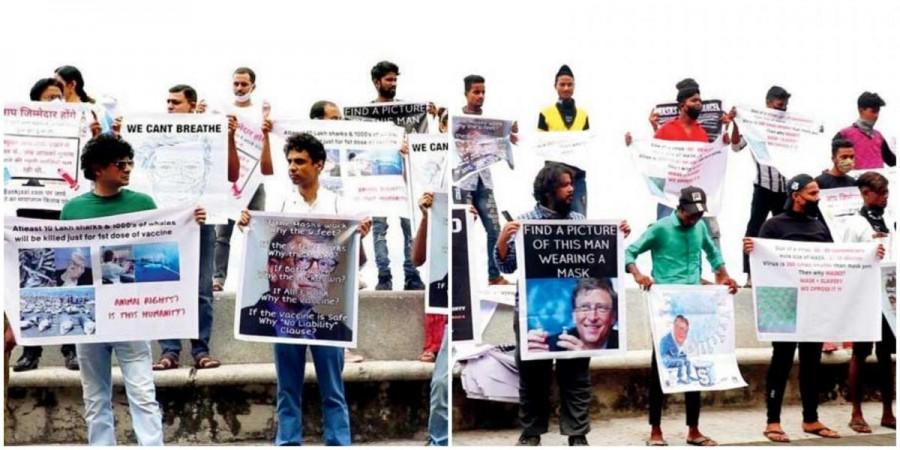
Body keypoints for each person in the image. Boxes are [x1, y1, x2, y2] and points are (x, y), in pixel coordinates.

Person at [61, 134, 206, 445]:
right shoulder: (72, 209)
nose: (128, 169)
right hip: (90, 317)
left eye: (130, 163)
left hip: (131, 315)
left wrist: (191, 223)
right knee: (94, 397)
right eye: (120, 164)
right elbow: (63, 256)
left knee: (142, 392)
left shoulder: (143, 203)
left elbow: (164, 245)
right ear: (98, 168)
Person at [238, 132, 372, 446]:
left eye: (300, 161)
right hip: (284, 314)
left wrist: (360, 238)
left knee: (332, 386)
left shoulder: (341, 205)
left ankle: (338, 442)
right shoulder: (281, 205)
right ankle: (288, 442)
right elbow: (263, 249)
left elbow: (357, 262)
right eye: (290, 162)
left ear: (319, 165)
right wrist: (248, 224)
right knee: (287, 386)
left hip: (324, 314)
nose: (293, 167)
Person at [495, 163, 630, 446]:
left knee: (577, 377)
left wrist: (617, 237)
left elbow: (599, 260)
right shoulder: (525, 222)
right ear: (548, 191)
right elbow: (506, 266)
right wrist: (503, 237)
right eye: (565, 185)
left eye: (572, 184)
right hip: (534, 316)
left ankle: (576, 433)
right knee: (533, 378)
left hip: (574, 316)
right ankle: (531, 432)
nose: (572, 190)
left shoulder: (580, 220)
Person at [743, 174, 885, 442]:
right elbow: (760, 262)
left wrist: (869, 255)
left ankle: (811, 419)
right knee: (781, 362)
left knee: (812, 362)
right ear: (796, 196)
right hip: (782, 303)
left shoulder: (819, 226)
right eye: (811, 194)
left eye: (818, 193)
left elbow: (835, 260)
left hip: (814, 302)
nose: (817, 198)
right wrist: (752, 249)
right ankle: (772, 421)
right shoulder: (773, 226)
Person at [626, 185, 738, 446]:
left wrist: (723, 276)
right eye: (690, 215)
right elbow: (629, 252)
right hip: (665, 307)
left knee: (695, 365)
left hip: (694, 304)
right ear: (679, 208)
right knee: (661, 368)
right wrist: (638, 274)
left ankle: (694, 430)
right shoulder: (661, 228)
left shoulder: (700, 227)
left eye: (698, 215)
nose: (693, 219)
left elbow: (714, 255)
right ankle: (655, 429)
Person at [12, 77, 82, 372]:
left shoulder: (77, 127)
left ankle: (71, 348)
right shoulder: (17, 131)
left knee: (68, 277)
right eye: (49, 97)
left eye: (59, 97)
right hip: (30, 210)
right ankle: (31, 350)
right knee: (31, 280)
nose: (56, 102)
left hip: (65, 211)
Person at [152, 84, 222, 371]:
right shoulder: (153, 135)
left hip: (200, 223)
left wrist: (226, 134)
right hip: (164, 224)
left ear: (192, 106)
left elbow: (222, 175)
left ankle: (200, 350)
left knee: (202, 289)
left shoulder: (208, 135)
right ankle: (169, 351)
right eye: (167, 101)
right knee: (163, 286)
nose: (170, 106)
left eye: (176, 102)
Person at [842, 171, 895, 432]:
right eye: (880, 193)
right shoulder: (855, 224)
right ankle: (856, 412)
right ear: (865, 193)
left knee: (886, 355)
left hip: (888, 295)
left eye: (887, 192)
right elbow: (845, 257)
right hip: (863, 294)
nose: (885, 197)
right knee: (860, 354)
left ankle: (887, 411)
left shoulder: (890, 219)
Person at [212, 67, 274, 292]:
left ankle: (260, 281)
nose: (239, 88)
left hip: (255, 181)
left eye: (244, 84)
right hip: (228, 180)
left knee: (259, 232)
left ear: (253, 86)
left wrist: (268, 123)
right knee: (222, 234)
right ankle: (217, 279)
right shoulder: (220, 111)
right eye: (236, 84)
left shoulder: (262, 112)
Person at [366, 60, 424, 291]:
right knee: (379, 229)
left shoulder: (407, 111)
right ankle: (383, 275)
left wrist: (410, 148)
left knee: (409, 227)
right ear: (376, 82)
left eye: (395, 79)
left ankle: (411, 274)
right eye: (389, 79)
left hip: (404, 179)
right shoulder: (365, 113)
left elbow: (420, 143)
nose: (393, 84)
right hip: (377, 179)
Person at [727, 86, 792, 286]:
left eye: (785, 107)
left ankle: (783, 276)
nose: (782, 110)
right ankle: (750, 275)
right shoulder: (754, 125)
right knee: (754, 230)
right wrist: (737, 122)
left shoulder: (789, 126)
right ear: (768, 103)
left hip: (786, 187)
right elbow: (736, 146)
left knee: (786, 232)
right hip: (764, 185)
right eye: (779, 106)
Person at [457, 74, 511, 287]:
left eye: (483, 92)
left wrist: (508, 136)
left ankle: (494, 275)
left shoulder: (490, 122)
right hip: (463, 183)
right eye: (476, 92)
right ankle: (460, 278)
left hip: (484, 182)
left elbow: (501, 146)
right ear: (466, 93)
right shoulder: (455, 119)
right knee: (461, 232)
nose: (480, 96)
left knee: (495, 229)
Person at [410, 191, 449, 446]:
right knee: (441, 385)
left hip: (465, 312)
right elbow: (417, 259)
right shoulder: (439, 215)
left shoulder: (467, 217)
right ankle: (438, 441)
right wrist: (426, 217)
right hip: (444, 306)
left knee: (443, 384)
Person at [538, 64, 590, 216]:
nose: (566, 88)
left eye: (569, 84)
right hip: (553, 178)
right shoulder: (545, 113)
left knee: (579, 218)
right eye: (562, 84)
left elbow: (587, 143)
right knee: (552, 216)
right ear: (555, 86)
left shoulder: (583, 114)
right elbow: (539, 142)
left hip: (577, 175)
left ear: (574, 86)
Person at [528, 277, 620, 352]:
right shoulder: (550, 346)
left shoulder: (624, 344)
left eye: (601, 308)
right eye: (584, 307)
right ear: (574, 315)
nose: (592, 317)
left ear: (614, 317)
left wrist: (585, 359)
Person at [411, 192, 448, 362]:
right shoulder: (436, 208)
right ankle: (434, 344)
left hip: (459, 281)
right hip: (440, 283)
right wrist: (427, 217)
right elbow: (417, 260)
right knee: (437, 288)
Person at [833, 92, 895, 170]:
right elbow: (836, 162)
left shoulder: (879, 136)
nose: (876, 115)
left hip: (877, 180)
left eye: (878, 111)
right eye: (873, 111)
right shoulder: (844, 134)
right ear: (861, 110)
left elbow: (892, 161)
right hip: (856, 180)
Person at [658, 315, 693, 384]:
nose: (684, 332)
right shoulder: (666, 339)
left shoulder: (679, 339)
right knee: (680, 361)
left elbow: (680, 352)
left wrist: (683, 355)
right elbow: (665, 355)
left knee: (687, 361)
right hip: (666, 359)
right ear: (675, 327)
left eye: (686, 330)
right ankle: (680, 378)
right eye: (681, 329)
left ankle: (689, 376)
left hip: (674, 357)